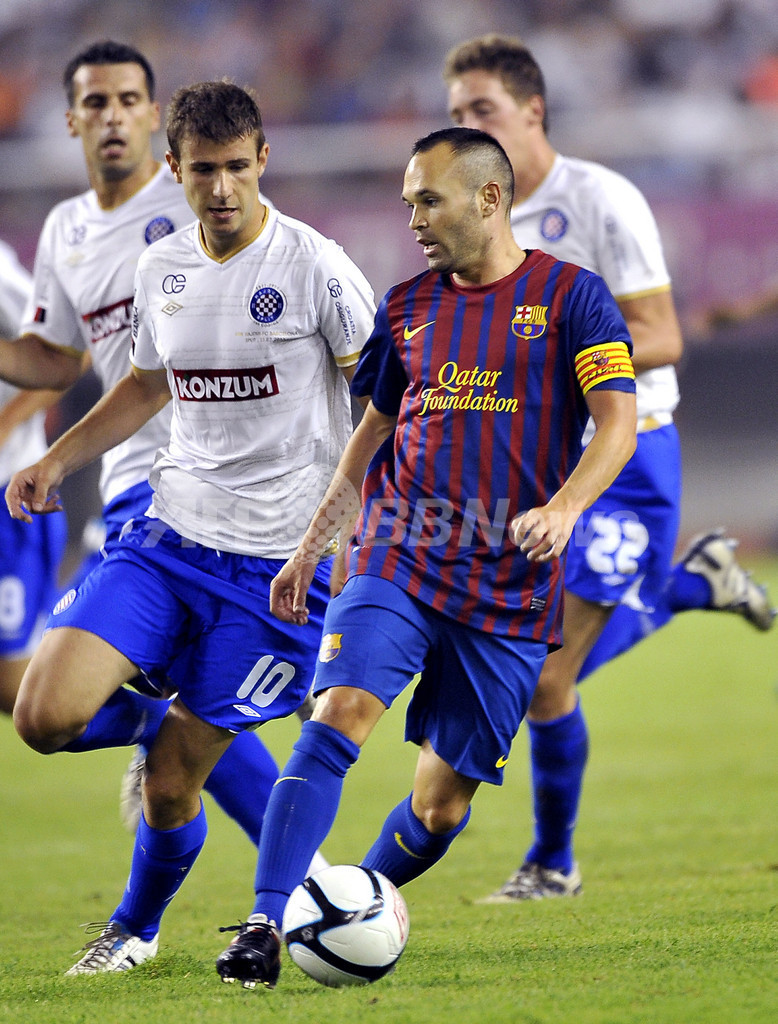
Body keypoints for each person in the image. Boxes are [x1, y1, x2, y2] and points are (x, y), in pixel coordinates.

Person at [213, 126, 638, 990]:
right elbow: (369, 437)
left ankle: (352, 906)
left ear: (488, 198)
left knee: (440, 808)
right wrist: (312, 547)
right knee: (337, 715)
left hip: (510, 587)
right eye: (409, 202)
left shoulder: (571, 298)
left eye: (428, 200)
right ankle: (266, 920)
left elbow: (618, 424)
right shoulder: (406, 307)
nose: (413, 219)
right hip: (402, 551)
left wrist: (564, 507)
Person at [6, 78, 376, 975]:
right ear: (174, 167)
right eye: (203, 169)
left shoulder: (317, 267)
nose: (221, 188)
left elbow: (383, 407)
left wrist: (351, 540)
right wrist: (57, 460)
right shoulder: (162, 268)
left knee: (174, 786)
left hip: (276, 572)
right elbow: (145, 384)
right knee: (41, 717)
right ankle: (149, 719)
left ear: (263, 160)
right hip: (168, 539)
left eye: (237, 168)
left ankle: (133, 928)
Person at [443, 33, 775, 903]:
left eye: (483, 109)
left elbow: (662, 336)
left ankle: (553, 864)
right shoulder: (478, 221)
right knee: (526, 665)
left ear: (532, 111)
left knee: (545, 675)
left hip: (628, 456)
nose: (469, 125)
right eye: (457, 114)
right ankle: (693, 584)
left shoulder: (599, 199)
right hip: (542, 466)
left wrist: (558, 359)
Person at [0, 40, 302, 850]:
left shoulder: (200, 201)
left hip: (206, 491)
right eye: (96, 102)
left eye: (129, 100)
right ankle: (304, 878)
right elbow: (57, 360)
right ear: (71, 119)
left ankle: (299, 879)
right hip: (129, 487)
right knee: (73, 707)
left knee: (118, 710)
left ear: (154, 119)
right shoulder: (67, 229)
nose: (113, 117)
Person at [0, 240, 67, 714]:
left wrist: (3, 425)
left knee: (14, 689)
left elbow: (67, 354)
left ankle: (165, 727)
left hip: (6, 497)